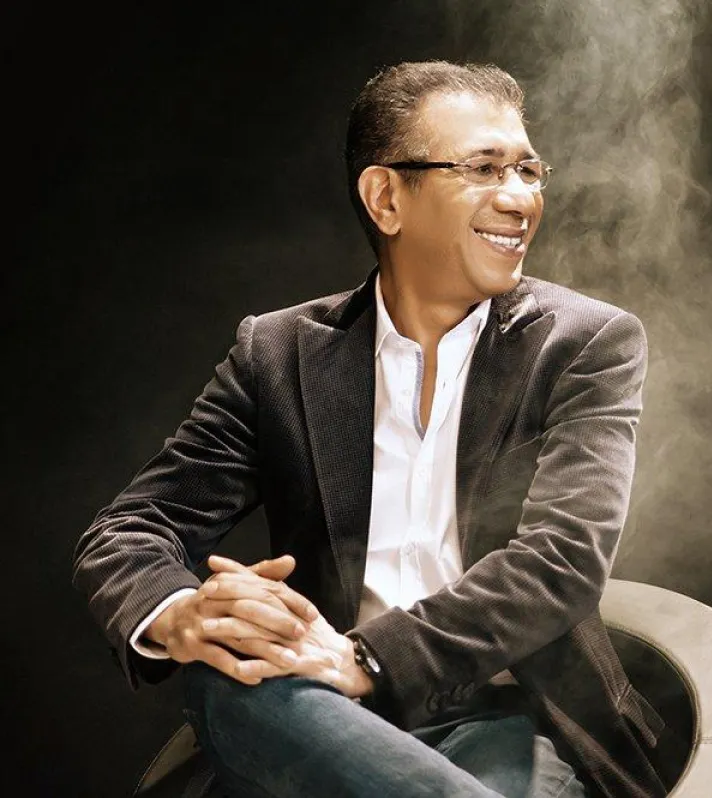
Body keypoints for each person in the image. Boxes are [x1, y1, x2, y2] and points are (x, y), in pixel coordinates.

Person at [73, 60, 668, 798]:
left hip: (506, 717)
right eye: (484, 168)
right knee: (229, 667)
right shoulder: (278, 354)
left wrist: (366, 658)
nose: (520, 198)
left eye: (528, 170)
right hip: (310, 716)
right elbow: (130, 529)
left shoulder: (587, 343)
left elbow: (562, 560)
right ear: (386, 197)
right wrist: (185, 614)